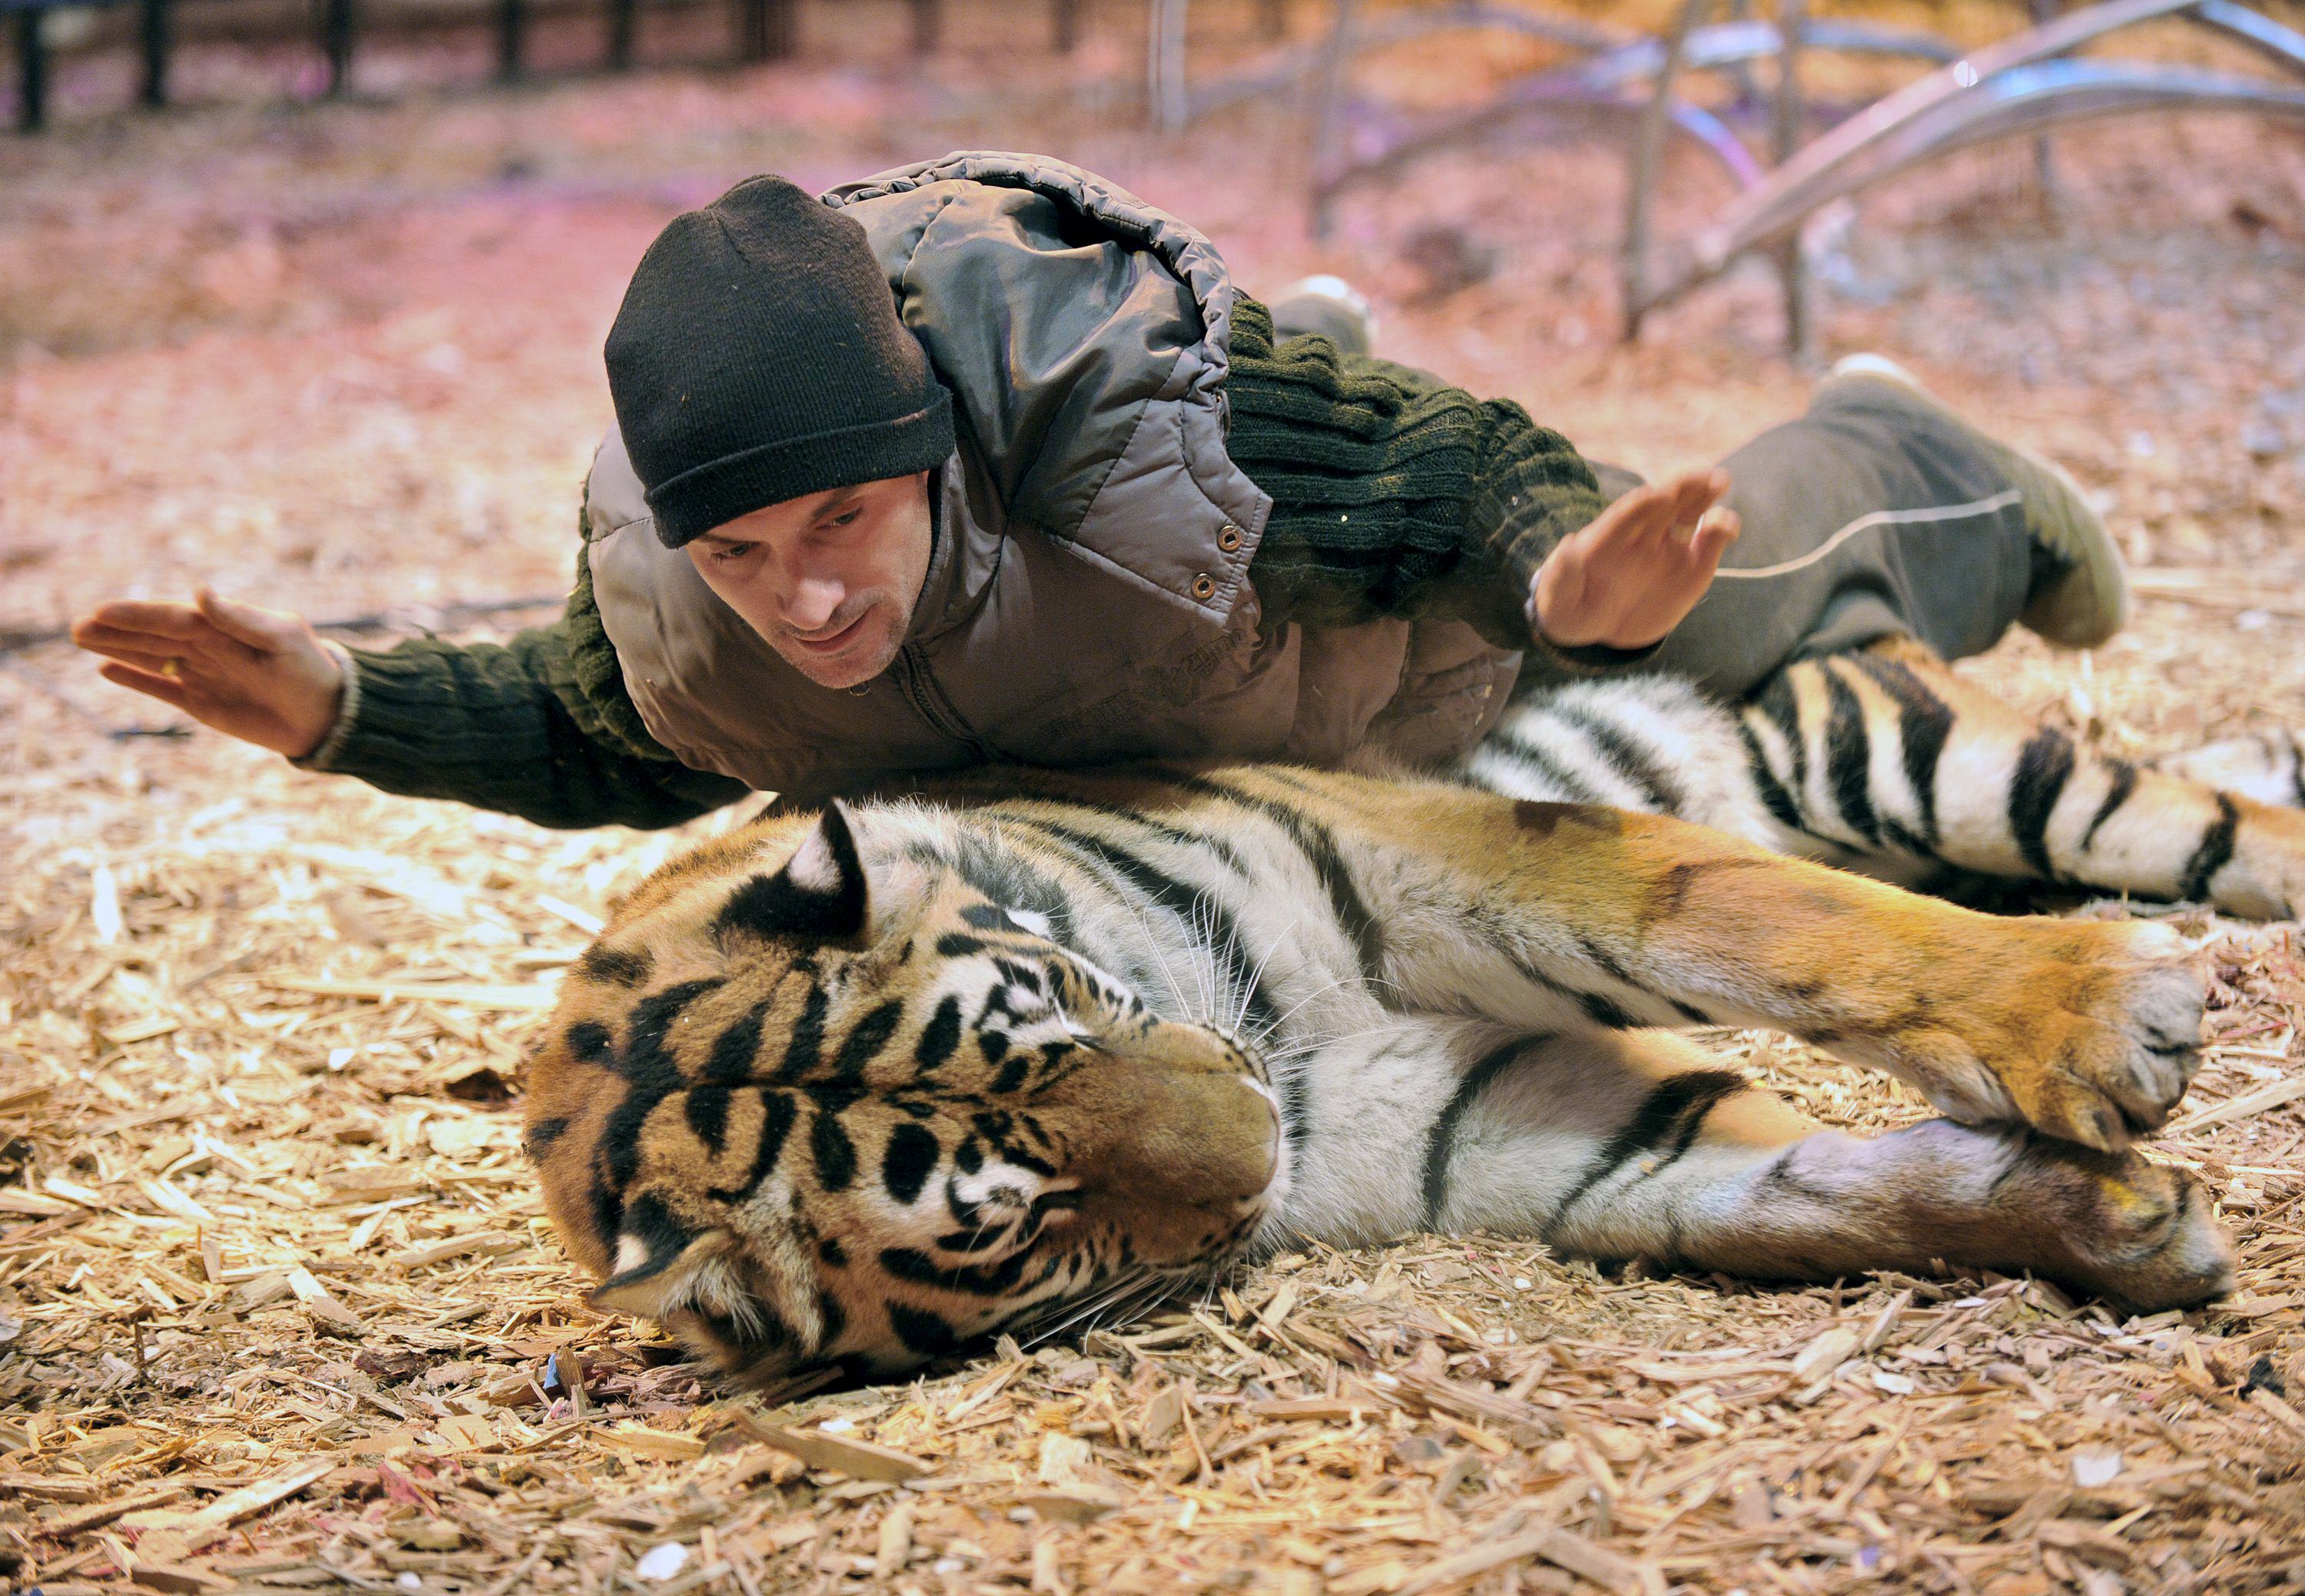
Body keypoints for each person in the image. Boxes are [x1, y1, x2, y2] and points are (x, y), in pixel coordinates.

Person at [71, 152, 2123, 827]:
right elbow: (606, 718)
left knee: (1731, 626)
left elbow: (1482, 478)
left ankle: (1907, 449)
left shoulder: (1175, 454)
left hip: (1372, 644)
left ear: (931, 456)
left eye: (843, 528)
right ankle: (1313, 307)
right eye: (744, 554)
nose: (804, 600)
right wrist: (343, 711)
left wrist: (1564, 583)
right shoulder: (704, 596)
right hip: (1152, 677)